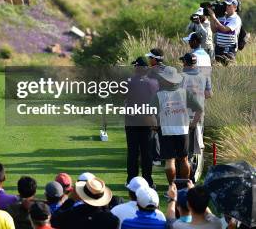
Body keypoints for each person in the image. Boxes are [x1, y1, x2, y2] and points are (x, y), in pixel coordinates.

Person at [152, 66, 203, 184]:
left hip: (165, 130)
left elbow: (149, 112)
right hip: (183, 129)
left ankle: (172, 186)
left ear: (165, 80)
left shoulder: (158, 95)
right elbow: (199, 109)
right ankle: (184, 186)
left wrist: (155, 125)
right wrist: (193, 124)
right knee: (184, 159)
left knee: (170, 161)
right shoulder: (184, 93)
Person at [125, 57, 159, 187]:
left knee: (133, 152)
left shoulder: (128, 82)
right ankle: (147, 181)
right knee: (147, 153)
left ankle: (131, 181)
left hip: (131, 121)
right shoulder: (154, 83)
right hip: (148, 120)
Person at [52, 177, 119, 229]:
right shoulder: (112, 220)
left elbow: (54, 221)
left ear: (82, 196)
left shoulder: (71, 214)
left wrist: (71, 200)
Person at [209, 0, 242, 64]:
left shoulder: (236, 19)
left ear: (235, 7)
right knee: (217, 67)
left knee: (228, 66)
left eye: (229, 5)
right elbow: (214, 30)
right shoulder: (221, 17)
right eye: (226, 5)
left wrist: (214, 18)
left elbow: (225, 29)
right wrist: (212, 18)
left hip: (229, 48)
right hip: (218, 47)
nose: (227, 7)